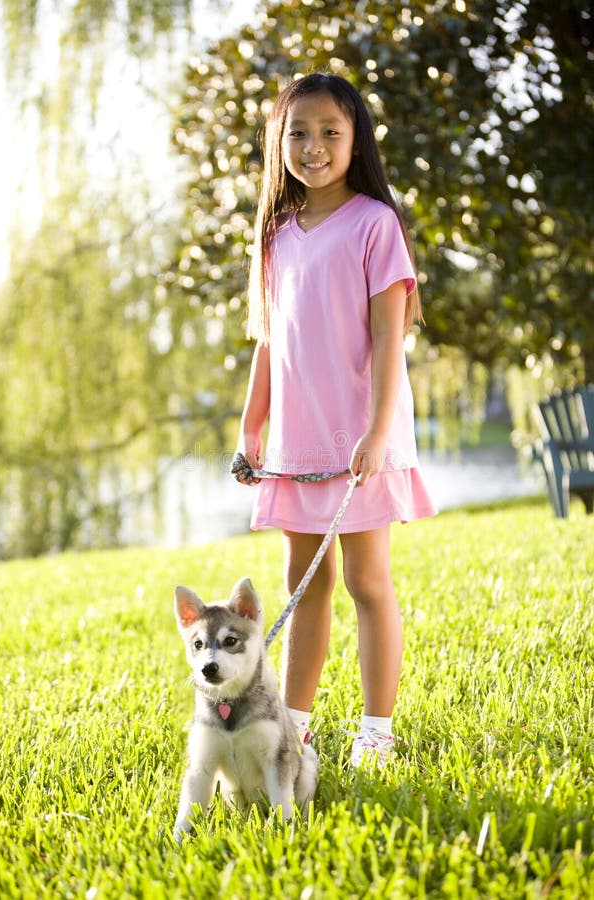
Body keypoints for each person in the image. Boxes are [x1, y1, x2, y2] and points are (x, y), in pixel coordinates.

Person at [233, 72, 436, 767]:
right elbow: (270, 339)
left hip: (362, 437)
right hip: (298, 439)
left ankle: (376, 732)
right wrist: (250, 429)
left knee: (366, 581)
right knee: (304, 584)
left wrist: (378, 433)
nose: (313, 146)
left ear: (356, 141)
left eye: (330, 132)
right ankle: (293, 726)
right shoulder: (275, 234)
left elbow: (389, 339)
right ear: (278, 141)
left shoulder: (374, 225)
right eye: (298, 132)